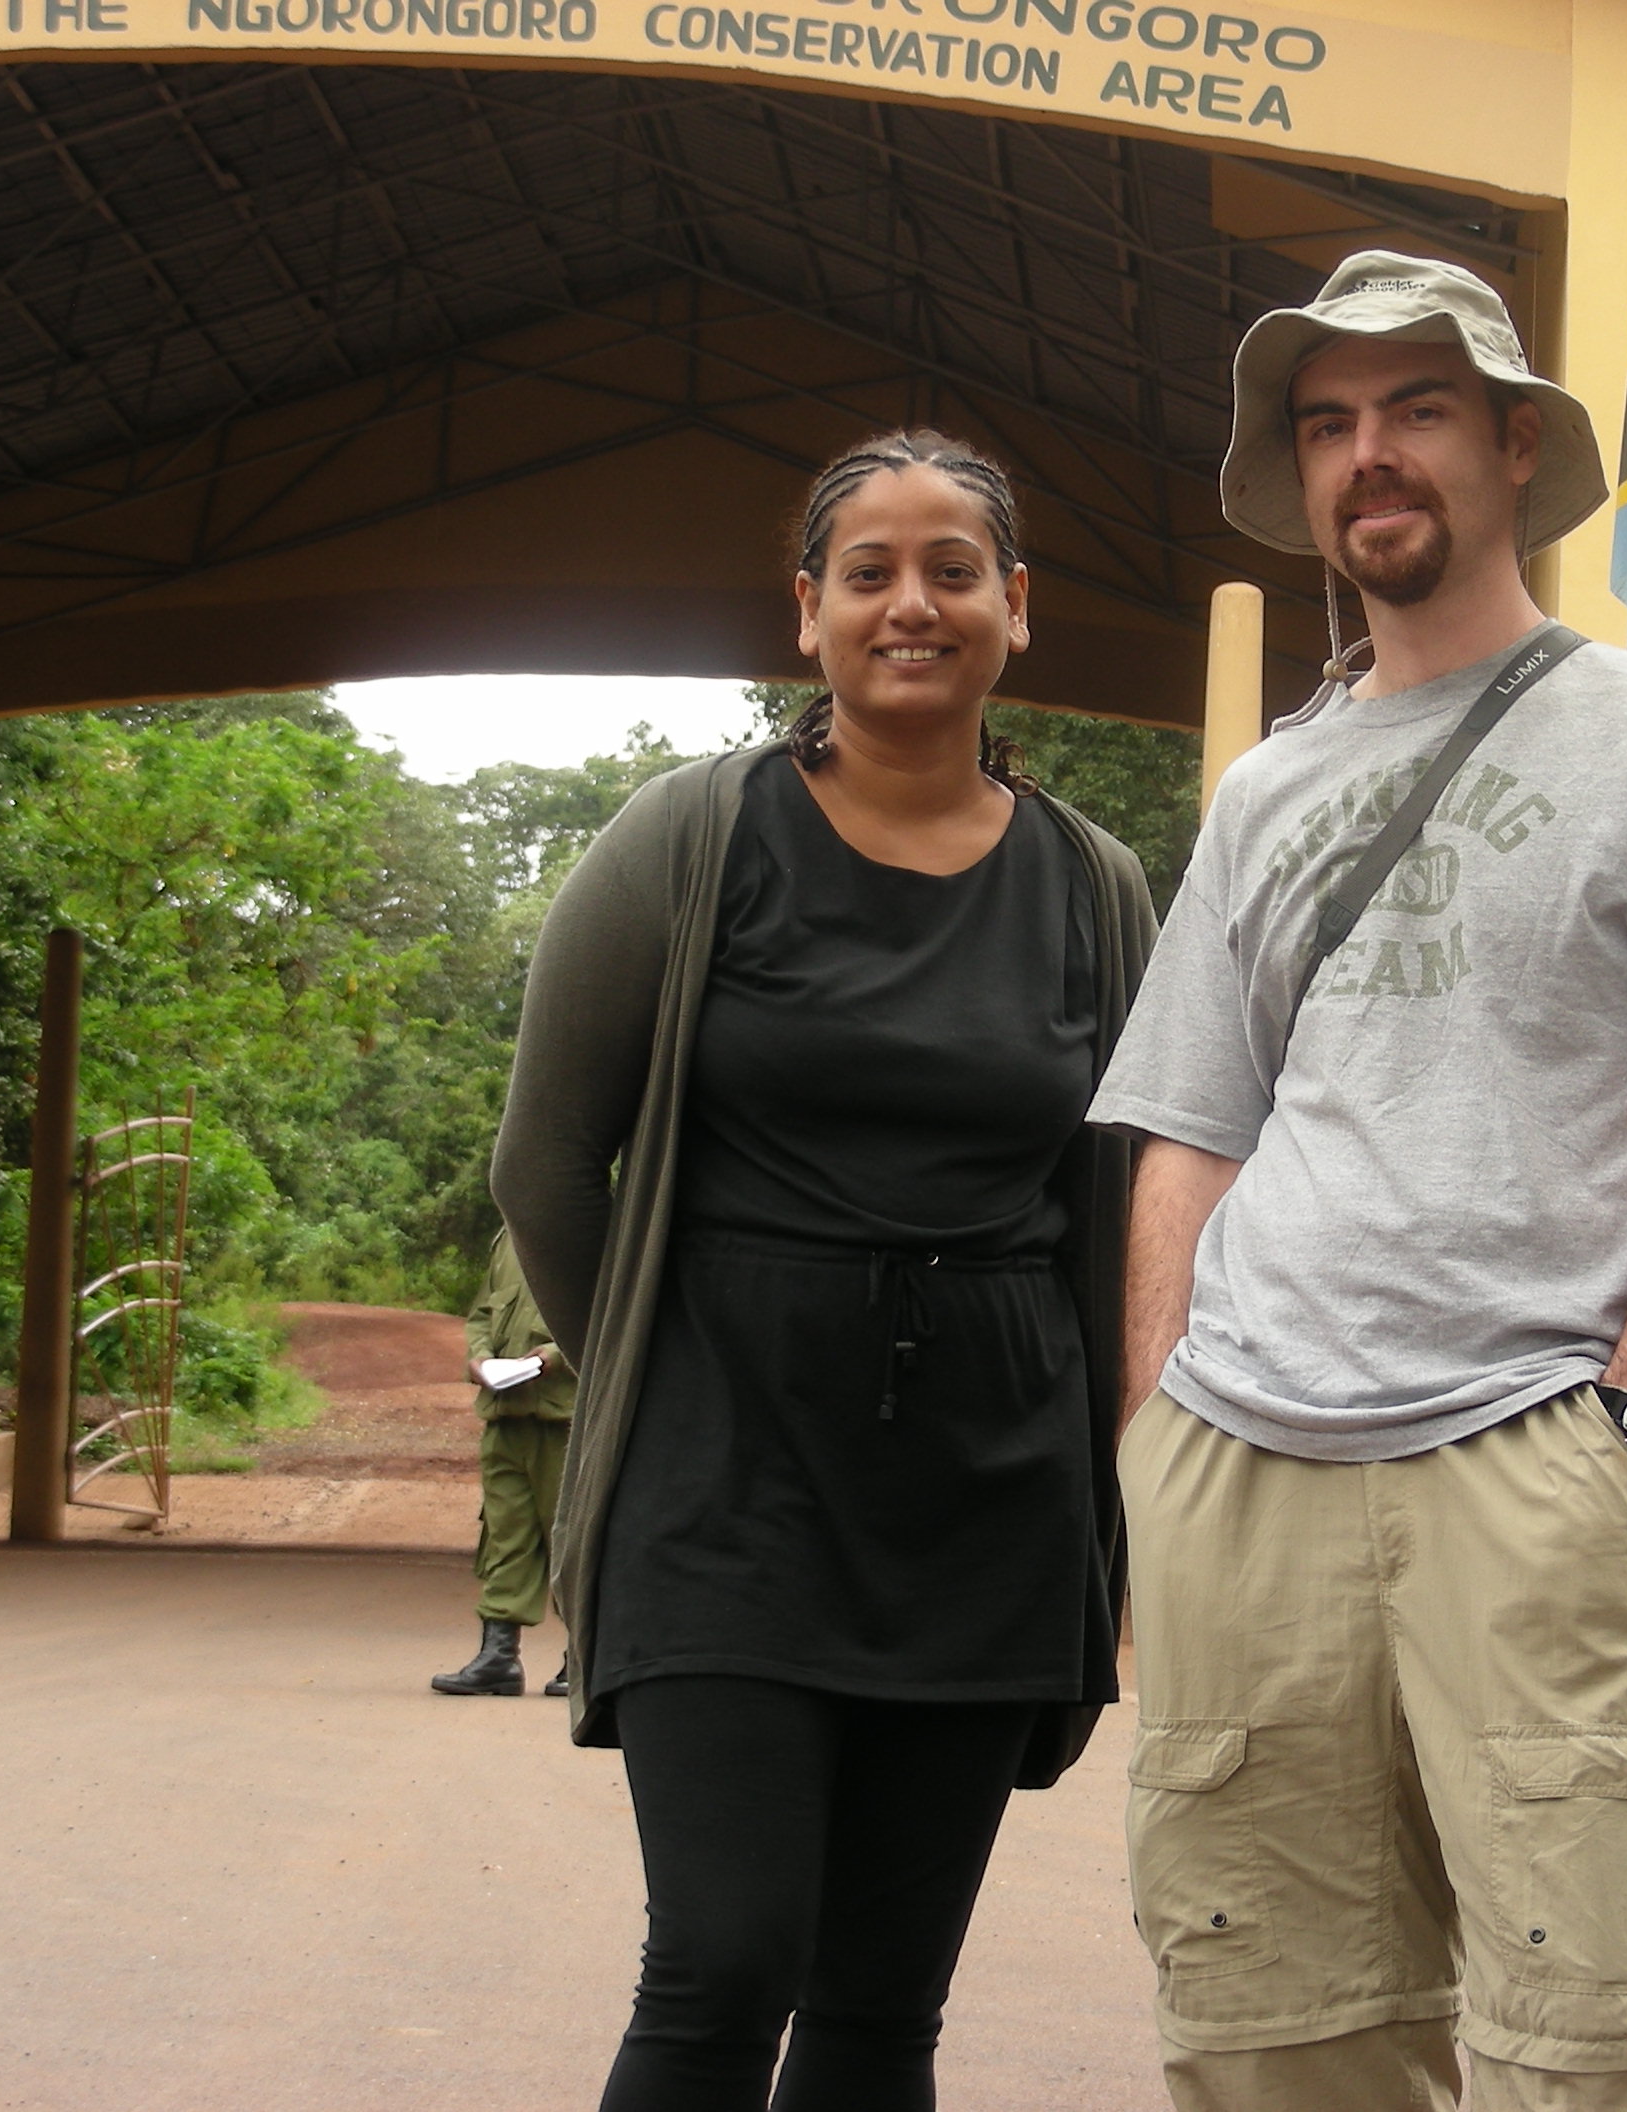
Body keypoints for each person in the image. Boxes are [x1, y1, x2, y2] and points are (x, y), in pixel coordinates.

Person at [1088, 251, 1627, 2112]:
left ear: (1515, 448)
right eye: (1330, 424)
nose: (1369, 457)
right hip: (1244, 1462)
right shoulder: (1267, 793)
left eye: (1416, 409)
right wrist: (1150, 1443)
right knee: (1271, 2039)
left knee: (1584, 2043)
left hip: (1532, 1443)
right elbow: (1192, 1124)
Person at [490, 428, 1155, 2112]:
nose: (910, 604)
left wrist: (1115, 1499)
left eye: (952, 570)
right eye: (870, 570)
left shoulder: (1095, 888)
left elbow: (1131, 1207)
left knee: (877, 2008)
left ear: (1017, 606)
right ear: (809, 611)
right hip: (728, 1486)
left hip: (991, 1496)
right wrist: (658, 1378)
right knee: (722, 1961)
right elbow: (547, 1160)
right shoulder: (689, 838)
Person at [431, 1223, 575, 1698]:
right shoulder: (507, 1237)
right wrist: (478, 1358)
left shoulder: (598, 1228)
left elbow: (616, 1315)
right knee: (503, 1535)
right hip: (505, 1417)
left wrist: (552, 1357)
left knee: (575, 1538)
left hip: (567, 1419)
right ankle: (498, 1658)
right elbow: (480, 1314)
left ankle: (587, 1659)